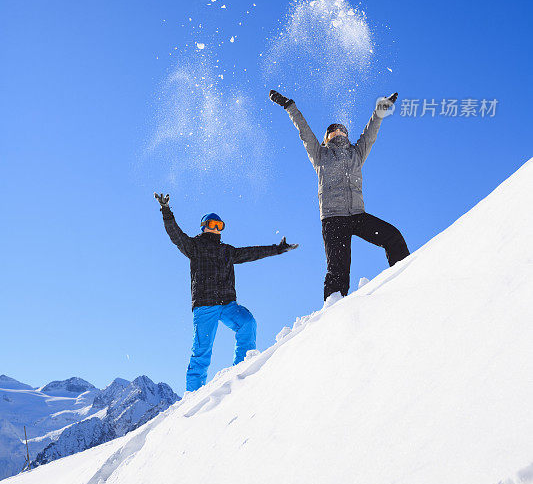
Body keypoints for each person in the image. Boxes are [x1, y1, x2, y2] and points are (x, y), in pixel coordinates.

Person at [269, 90, 409, 302]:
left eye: (342, 131)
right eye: (333, 132)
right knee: (338, 270)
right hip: (333, 219)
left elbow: (370, 133)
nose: (338, 133)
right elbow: (304, 132)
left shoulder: (356, 153)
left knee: (393, 236)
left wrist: (380, 110)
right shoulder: (320, 154)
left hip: (357, 215)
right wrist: (290, 106)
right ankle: (332, 312)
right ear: (326, 139)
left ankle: (408, 278)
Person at [154, 194, 298, 391]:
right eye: (212, 224)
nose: (215, 228)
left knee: (247, 323)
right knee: (202, 351)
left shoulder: (226, 251)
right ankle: (192, 395)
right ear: (203, 226)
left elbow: (252, 253)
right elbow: (176, 235)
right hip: (205, 305)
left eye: (219, 225)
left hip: (228, 304)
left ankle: (242, 369)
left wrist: (278, 249)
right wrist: (166, 210)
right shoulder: (194, 246)